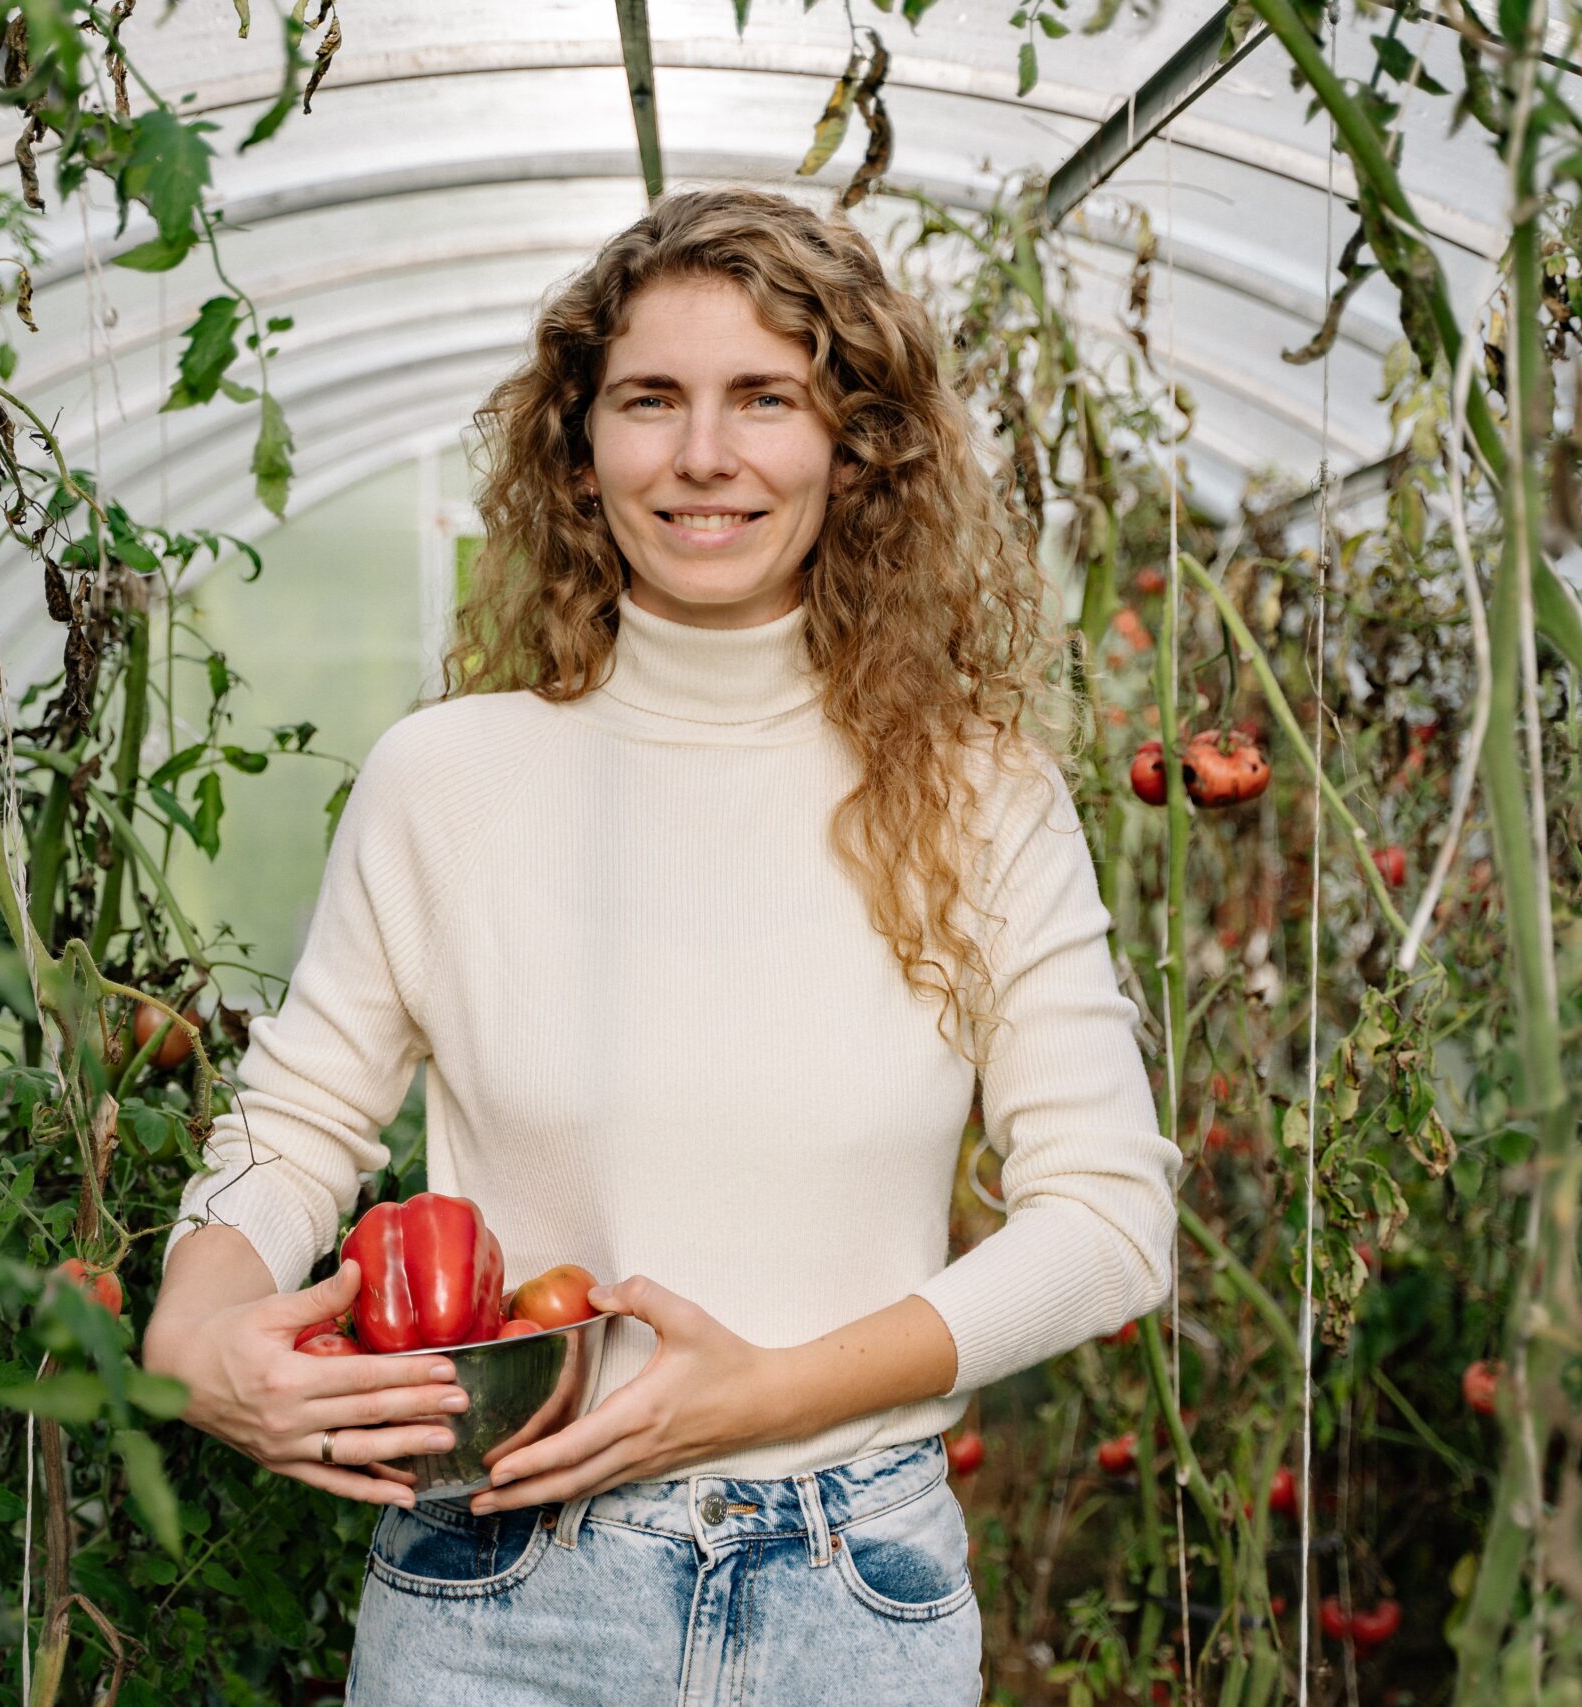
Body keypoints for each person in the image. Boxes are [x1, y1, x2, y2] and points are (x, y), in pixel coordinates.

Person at [140, 185, 1178, 1706]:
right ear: (581, 451)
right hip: (498, 1592)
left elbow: (1108, 1225)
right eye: (650, 401)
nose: (705, 456)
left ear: (855, 445)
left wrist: (766, 1394)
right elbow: (295, 1127)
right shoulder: (449, 779)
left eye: (767, 398)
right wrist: (195, 1322)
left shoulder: (978, 796)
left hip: (851, 1598)